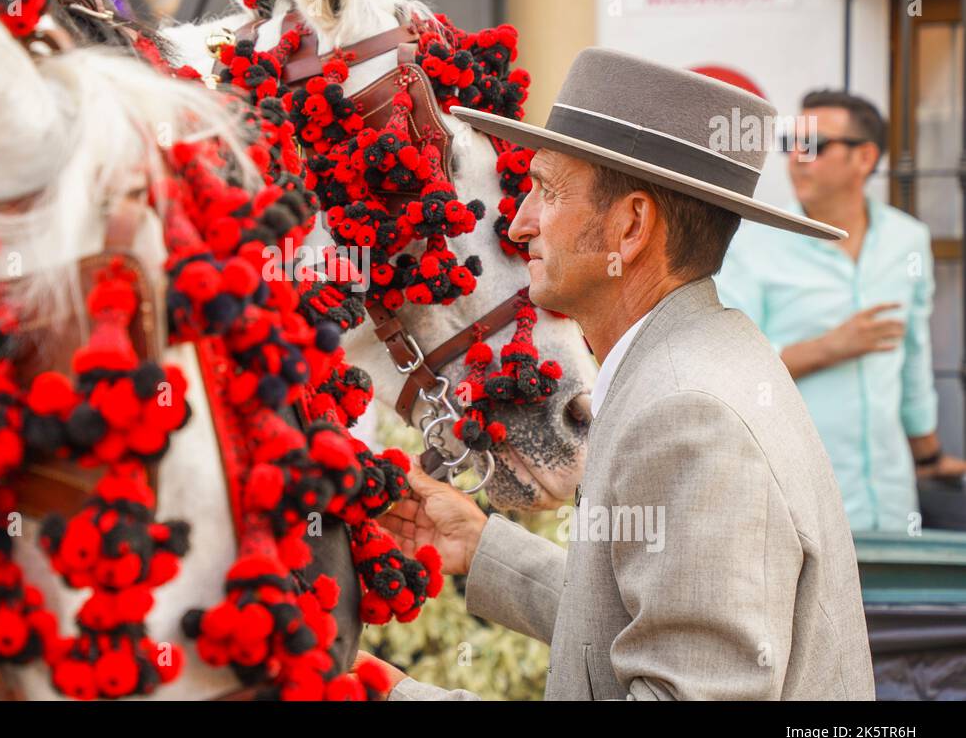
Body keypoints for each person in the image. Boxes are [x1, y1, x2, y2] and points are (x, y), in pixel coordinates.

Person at [363, 48, 875, 700]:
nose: (519, 224)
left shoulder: (687, 415)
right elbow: (649, 611)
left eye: (546, 190)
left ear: (631, 226)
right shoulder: (702, 357)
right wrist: (487, 548)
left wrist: (402, 699)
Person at [714, 90, 966, 533]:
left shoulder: (907, 240)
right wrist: (829, 348)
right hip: (797, 507)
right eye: (790, 142)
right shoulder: (753, 244)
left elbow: (911, 356)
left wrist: (927, 453)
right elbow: (730, 366)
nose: (795, 156)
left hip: (890, 502)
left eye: (812, 145)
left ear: (864, 157)